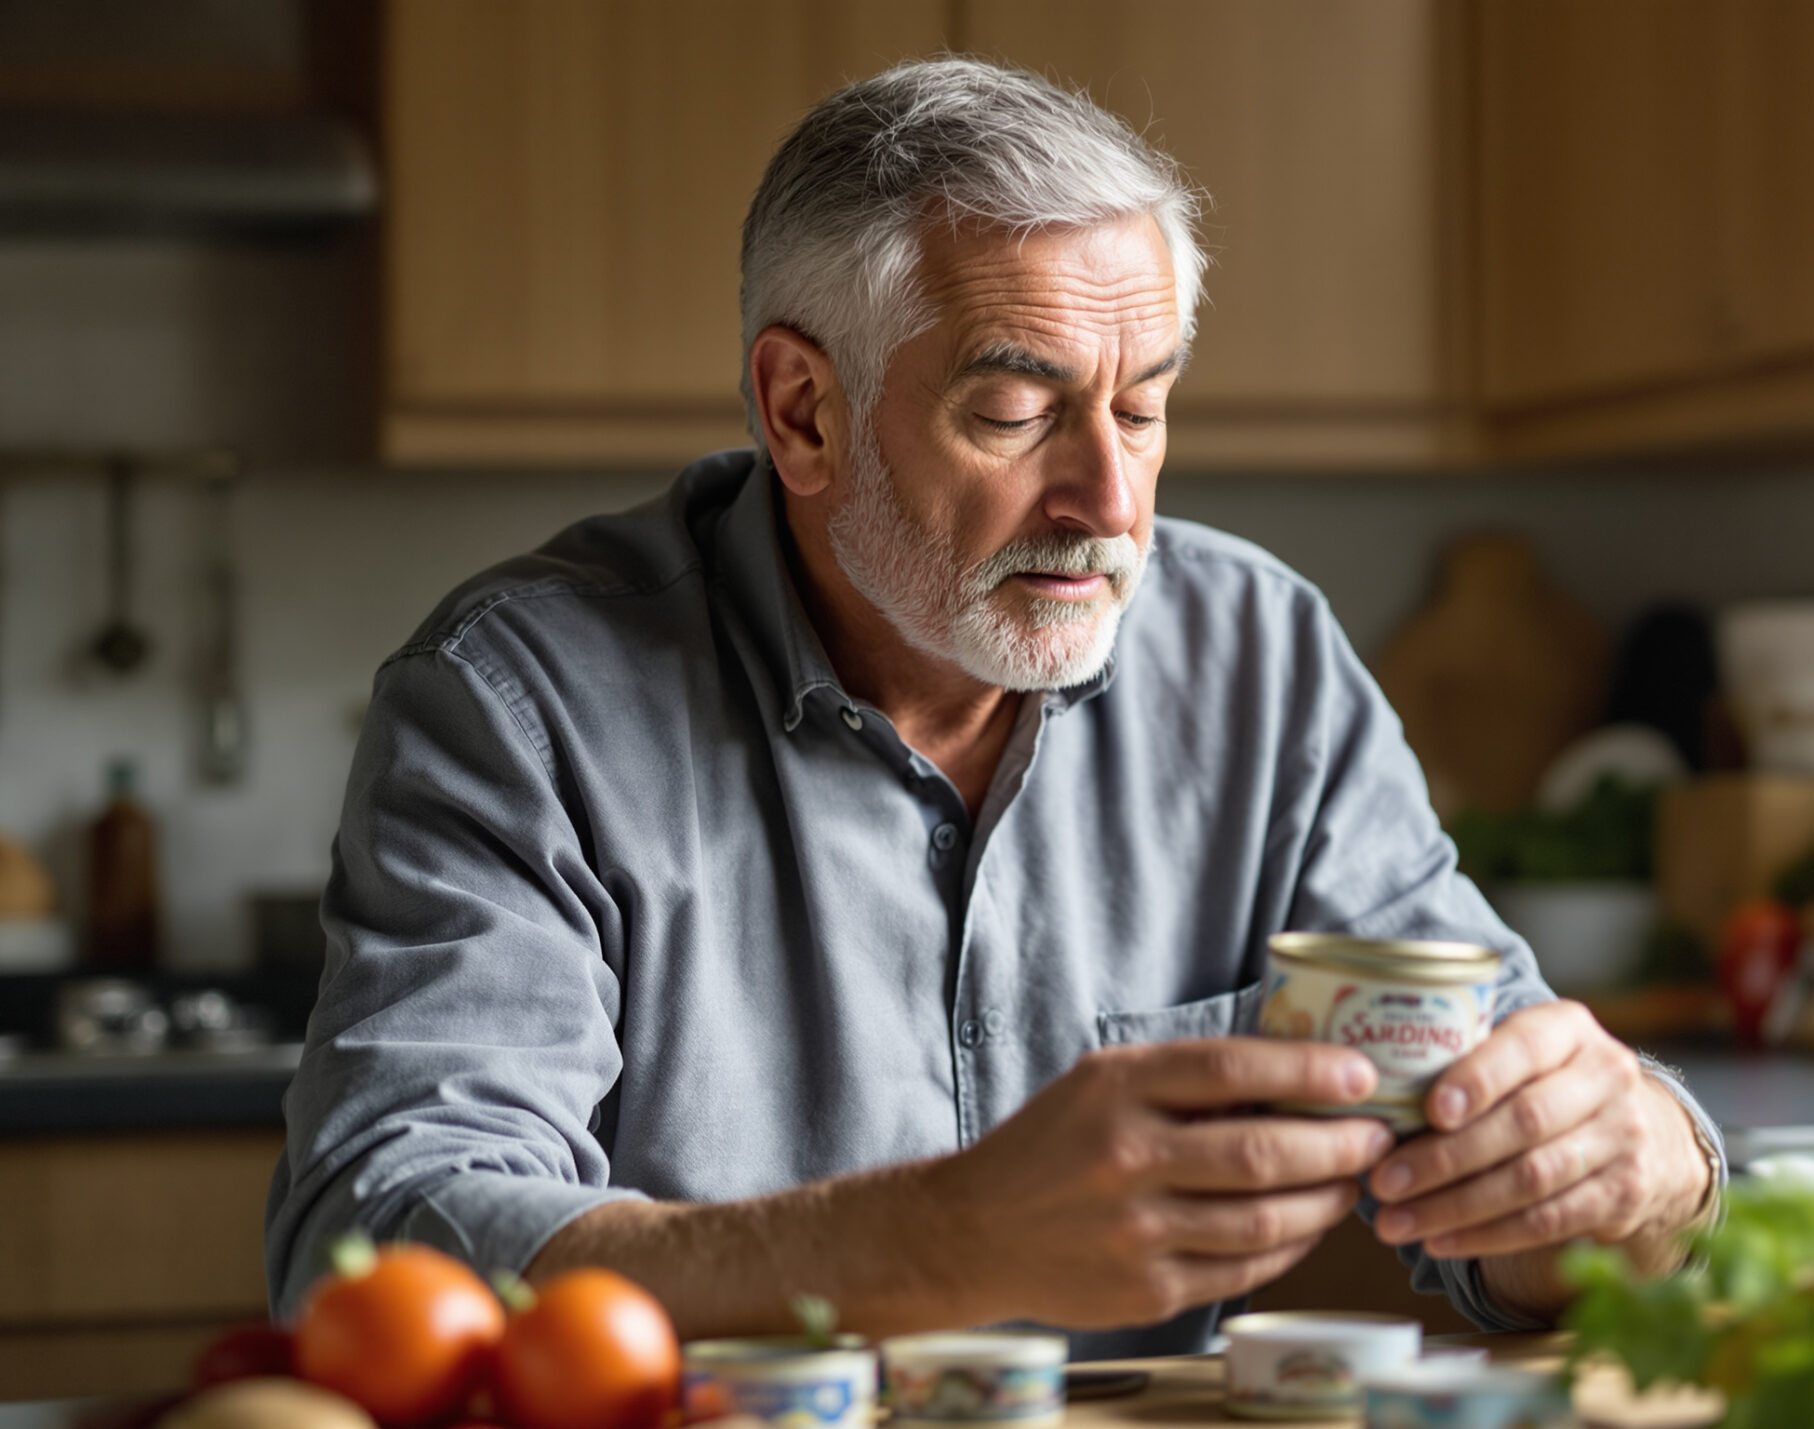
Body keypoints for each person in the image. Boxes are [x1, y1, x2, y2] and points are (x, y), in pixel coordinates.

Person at [266, 56, 1723, 1358]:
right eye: (1015, 414)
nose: (1108, 500)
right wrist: (947, 1234)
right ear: (803, 413)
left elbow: (1524, 1172)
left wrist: (1633, 1170)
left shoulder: (1261, 659)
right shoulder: (520, 705)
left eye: (1143, 406)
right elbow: (383, 1240)